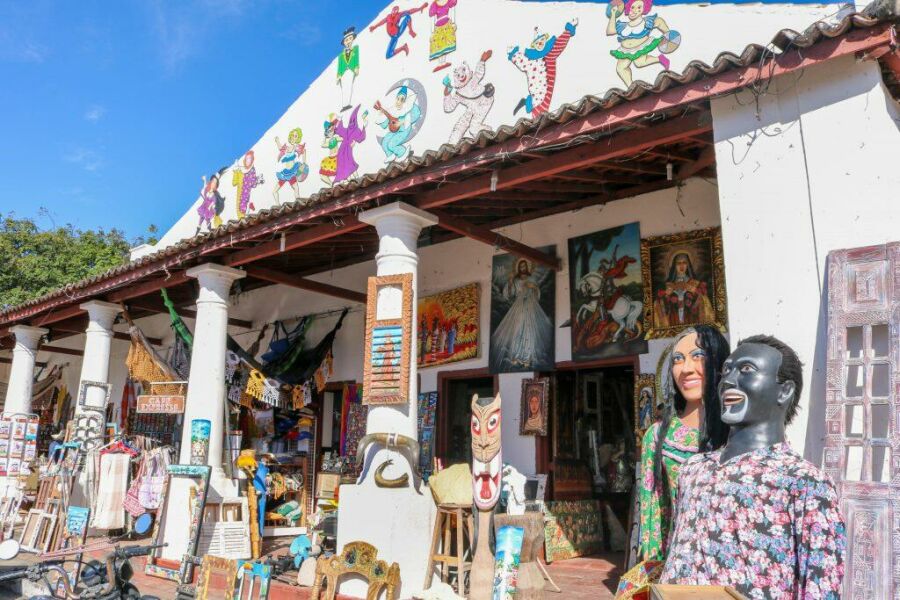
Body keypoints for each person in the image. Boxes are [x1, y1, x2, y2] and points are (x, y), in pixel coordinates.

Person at [660, 335, 845, 597]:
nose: (728, 381)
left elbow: (821, 586)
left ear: (784, 391)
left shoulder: (804, 482)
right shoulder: (693, 470)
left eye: (747, 370)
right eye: (726, 370)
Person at [638, 325, 730, 563]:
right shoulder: (659, 435)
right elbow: (654, 509)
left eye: (698, 356)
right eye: (678, 359)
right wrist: (654, 564)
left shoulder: (739, 431)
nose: (686, 369)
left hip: (732, 563)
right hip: (680, 562)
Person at [489, 259, 553, 372]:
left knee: (529, 329)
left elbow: (537, 293)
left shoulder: (531, 279)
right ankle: (516, 355)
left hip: (530, 305)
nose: (523, 268)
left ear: (528, 268)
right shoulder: (516, 280)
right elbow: (509, 294)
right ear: (518, 268)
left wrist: (532, 287)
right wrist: (509, 282)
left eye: (524, 266)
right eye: (521, 266)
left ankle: (528, 356)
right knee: (517, 329)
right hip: (518, 305)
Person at [606, 0, 671, 87]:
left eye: (639, 7)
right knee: (620, 68)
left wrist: (668, 33)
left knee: (639, 63)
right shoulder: (623, 25)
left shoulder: (646, 22)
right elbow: (610, 31)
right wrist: (613, 14)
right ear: (628, 8)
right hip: (625, 50)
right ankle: (631, 87)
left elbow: (659, 21)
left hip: (640, 47)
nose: (634, 10)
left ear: (644, 9)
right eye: (632, 7)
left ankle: (660, 59)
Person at [652, 251, 715, 328]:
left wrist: (694, 291)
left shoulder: (695, 283)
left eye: (684, 262)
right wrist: (666, 294)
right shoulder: (667, 285)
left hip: (691, 322)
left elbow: (705, 302)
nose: (681, 266)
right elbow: (658, 304)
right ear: (674, 266)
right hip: (673, 321)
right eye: (678, 263)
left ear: (688, 265)